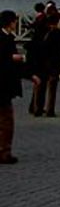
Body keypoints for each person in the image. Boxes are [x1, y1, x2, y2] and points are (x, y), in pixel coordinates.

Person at [30, 7, 60, 116]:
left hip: (40, 61)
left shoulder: (40, 30)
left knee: (39, 86)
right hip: (53, 62)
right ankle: (50, 109)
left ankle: (37, 109)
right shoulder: (59, 34)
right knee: (52, 87)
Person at [1, 9, 26, 163]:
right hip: (3, 84)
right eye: (15, 21)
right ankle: (4, 152)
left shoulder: (7, 37)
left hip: (5, 84)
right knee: (6, 120)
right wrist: (14, 58)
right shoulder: (4, 38)